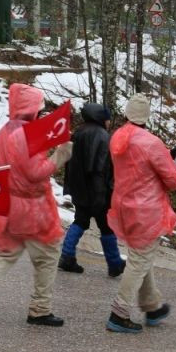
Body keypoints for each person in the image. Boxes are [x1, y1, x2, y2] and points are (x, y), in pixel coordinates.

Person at [0, 84, 66, 326]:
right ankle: (40, 309)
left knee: (9, 250)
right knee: (48, 255)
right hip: (34, 207)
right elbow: (36, 172)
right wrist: (60, 156)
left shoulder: (5, 131)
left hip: (12, 204)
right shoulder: (28, 135)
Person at [105, 93, 176, 333]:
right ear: (147, 116)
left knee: (141, 255)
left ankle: (151, 306)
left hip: (123, 205)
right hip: (147, 210)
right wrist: (173, 160)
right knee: (139, 260)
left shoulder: (117, 137)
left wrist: (166, 157)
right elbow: (172, 180)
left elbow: (139, 167)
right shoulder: (151, 142)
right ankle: (119, 314)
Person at [60, 102, 124, 276]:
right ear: (101, 118)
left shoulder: (78, 132)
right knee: (106, 227)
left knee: (80, 221)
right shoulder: (103, 136)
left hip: (79, 188)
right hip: (97, 191)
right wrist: (103, 194)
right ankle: (114, 263)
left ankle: (67, 255)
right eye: (108, 119)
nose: (109, 122)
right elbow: (101, 168)